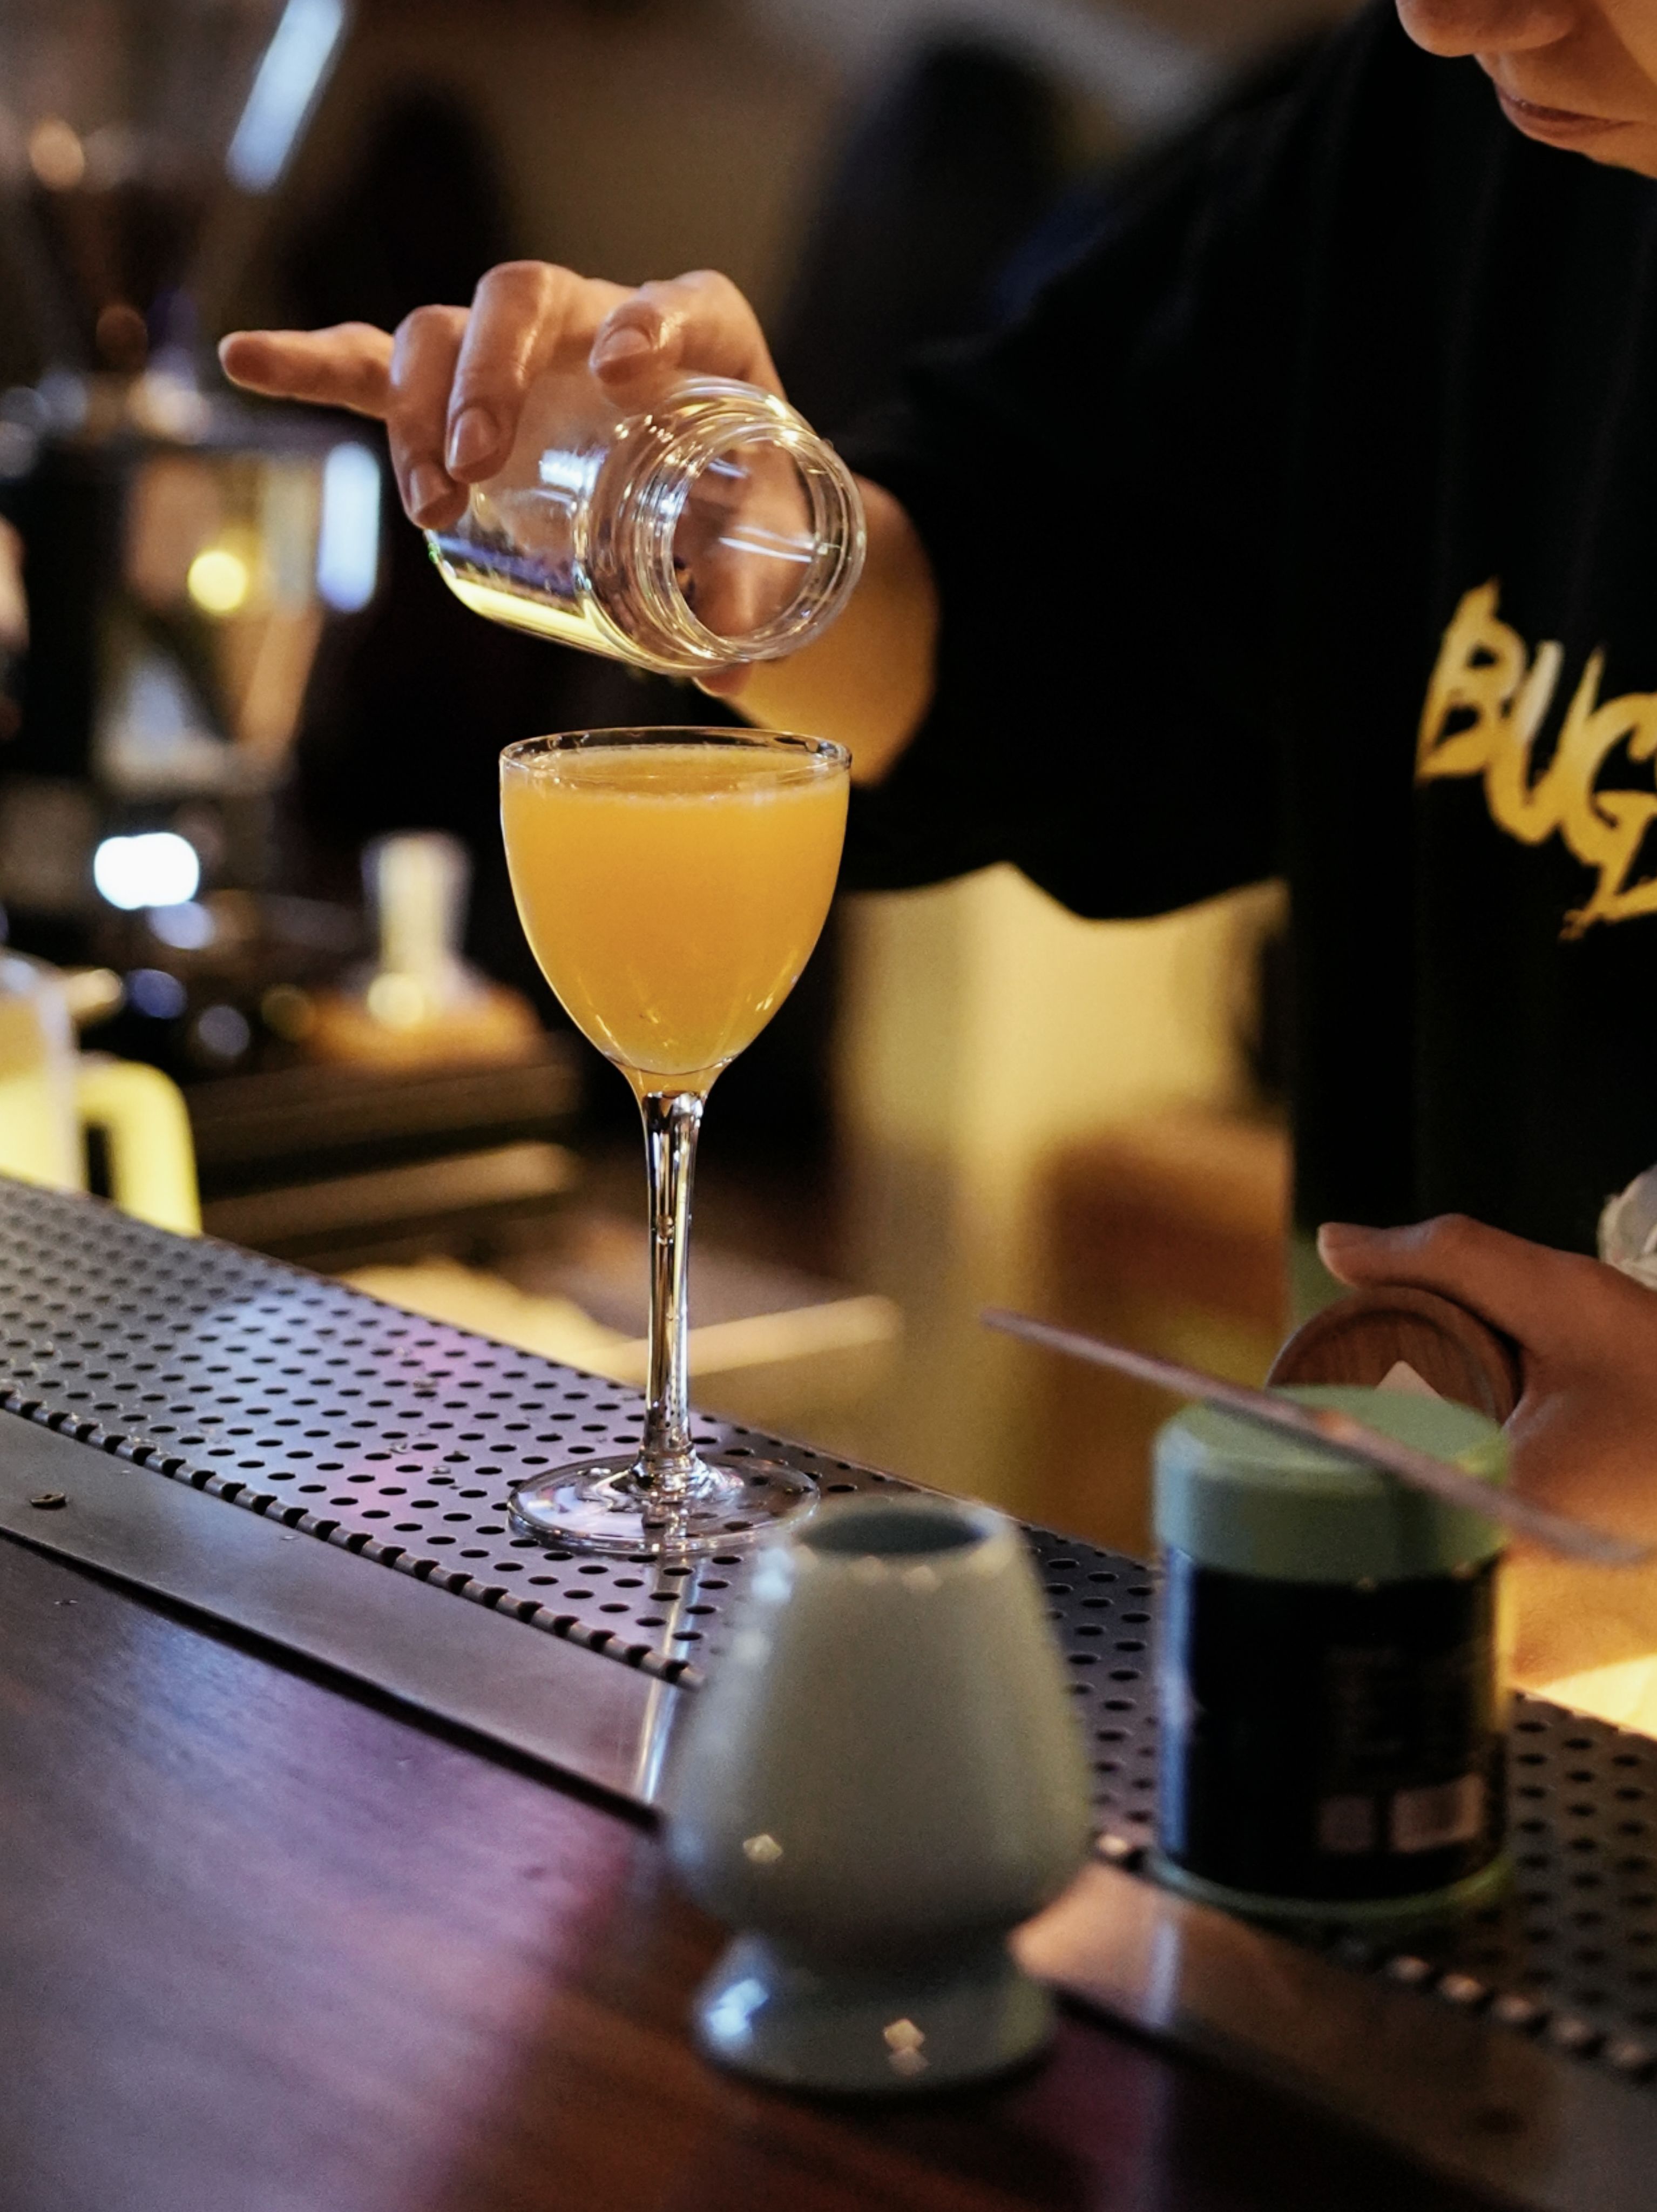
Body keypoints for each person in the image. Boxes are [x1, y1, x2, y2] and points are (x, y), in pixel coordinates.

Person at [219, 0, 1657, 1536]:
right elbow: (1051, 608)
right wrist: (749, 550)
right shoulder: (1427, 138)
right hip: (1445, 1535)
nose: (1453, 14)